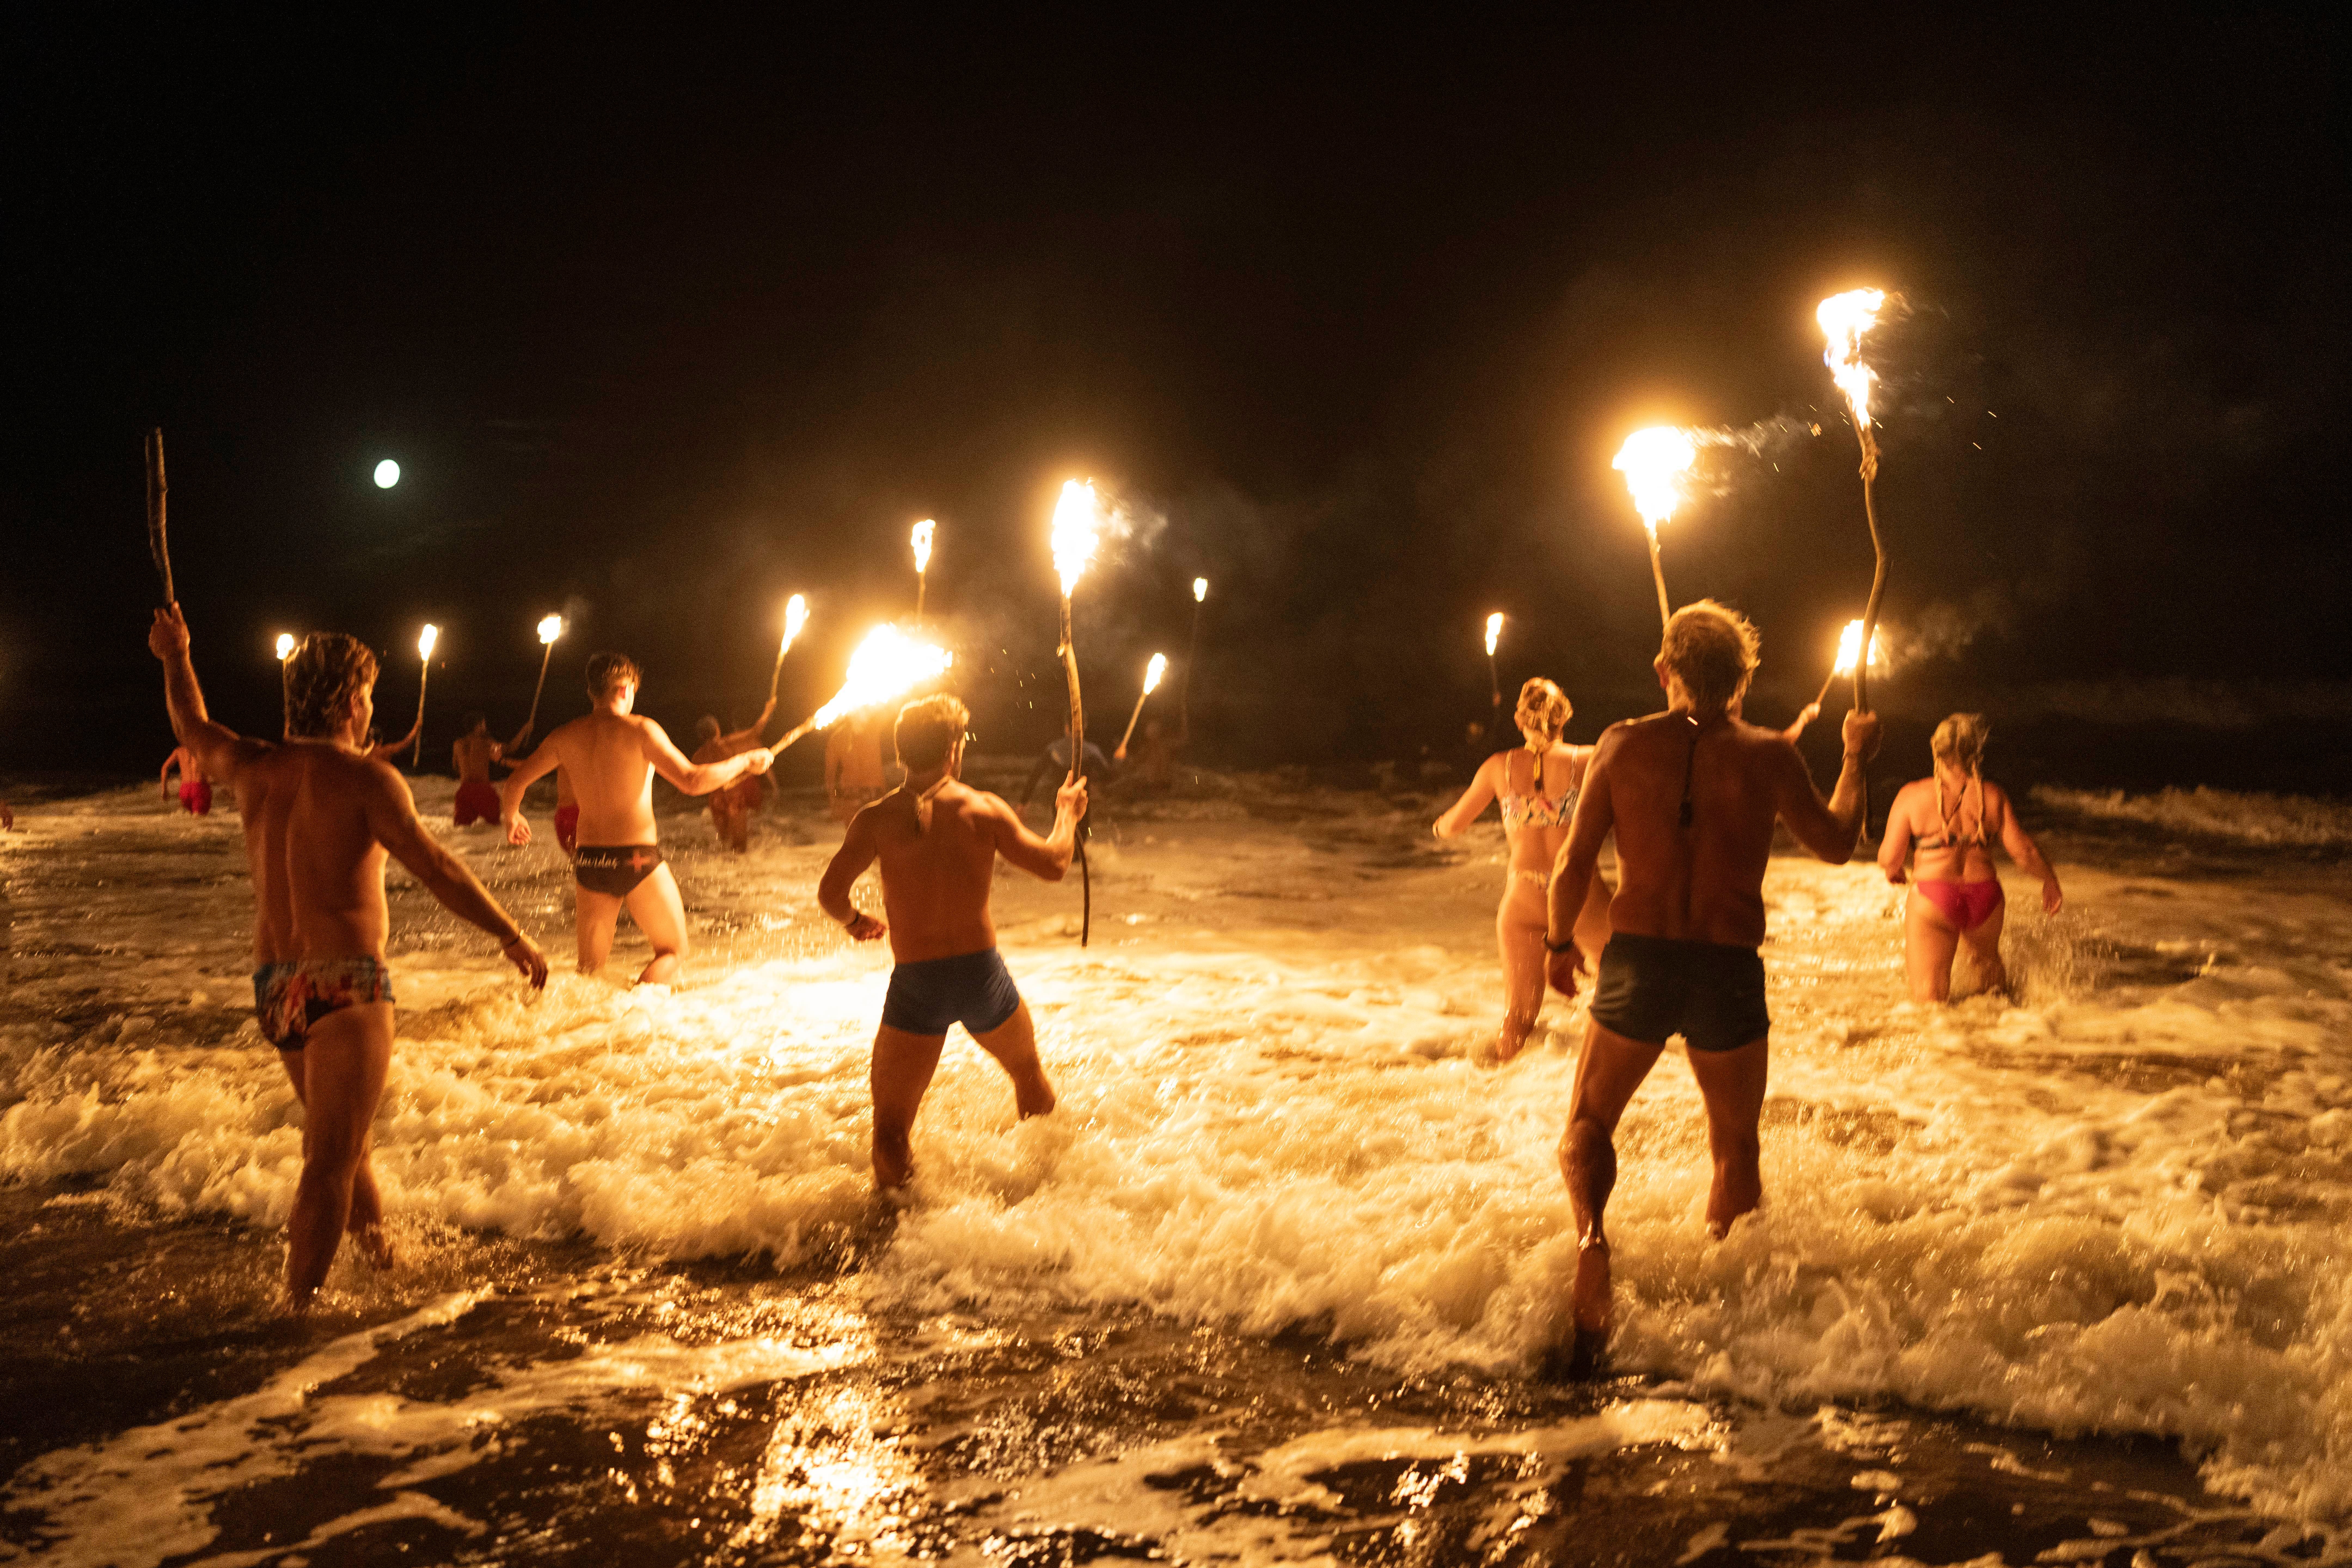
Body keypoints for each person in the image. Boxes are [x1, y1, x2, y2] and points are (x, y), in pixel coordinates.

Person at [147, 607, 549, 1311]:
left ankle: (383, 1263)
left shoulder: (253, 765)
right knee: (328, 1162)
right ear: (347, 702)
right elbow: (437, 868)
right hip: (345, 986)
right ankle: (294, 1317)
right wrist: (512, 935)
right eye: (365, 695)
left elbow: (191, 730)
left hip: (277, 990)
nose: (371, 710)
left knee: (348, 1146)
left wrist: (176, 656)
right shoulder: (366, 781)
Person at [1543, 601, 1880, 1362]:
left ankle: (1594, 1239)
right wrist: (1856, 759)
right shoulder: (1770, 755)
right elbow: (1834, 844)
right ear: (1744, 681)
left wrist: (1558, 944)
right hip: (1726, 967)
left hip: (1641, 957)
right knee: (1735, 1150)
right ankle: (1731, 1328)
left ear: (1664, 672)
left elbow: (1571, 865)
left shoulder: (1622, 746)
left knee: (1589, 1124)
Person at [817, 695, 1086, 1193]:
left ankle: (907, 1228)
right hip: (981, 977)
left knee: (892, 1130)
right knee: (1027, 1075)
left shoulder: (876, 818)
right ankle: (1052, 1192)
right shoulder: (982, 809)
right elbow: (1053, 864)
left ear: (901, 752)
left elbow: (830, 895)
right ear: (953, 750)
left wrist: (856, 921)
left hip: (918, 984)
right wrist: (1066, 813)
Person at [499, 653, 773, 987]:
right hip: (637, 860)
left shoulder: (564, 737)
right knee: (673, 952)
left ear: (592, 692)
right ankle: (635, 1014)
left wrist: (512, 818)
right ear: (627, 689)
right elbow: (692, 781)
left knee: (590, 975)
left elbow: (516, 783)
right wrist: (745, 762)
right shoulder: (642, 729)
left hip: (590, 864)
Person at [1433, 678, 1612, 1061]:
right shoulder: (1592, 759)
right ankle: (1602, 1085)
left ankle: (1492, 1092)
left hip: (1524, 896)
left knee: (1518, 1018)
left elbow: (1453, 826)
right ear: (1564, 716)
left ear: (1519, 720)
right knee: (1624, 1001)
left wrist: (1439, 826)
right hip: (1580, 894)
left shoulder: (1499, 767)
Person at [1878, 713, 2063, 1002]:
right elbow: (2024, 852)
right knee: (1992, 990)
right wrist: (2049, 879)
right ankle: (2002, 1038)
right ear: (1976, 751)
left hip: (1933, 897)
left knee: (1930, 997)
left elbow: (1889, 857)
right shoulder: (1992, 795)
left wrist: (1894, 870)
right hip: (1986, 898)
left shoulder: (1912, 795)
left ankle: (1951, 1045)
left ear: (1935, 749)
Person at [693, 697, 778, 853]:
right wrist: (768, 711)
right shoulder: (728, 744)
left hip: (716, 800)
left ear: (700, 736)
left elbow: (692, 782)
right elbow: (755, 732)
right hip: (734, 798)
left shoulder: (698, 757)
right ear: (718, 730)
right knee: (740, 849)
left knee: (725, 847)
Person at [825, 709, 891, 826]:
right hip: (851, 796)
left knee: (876, 837)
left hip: (875, 793)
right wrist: (834, 803)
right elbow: (831, 774)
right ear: (851, 713)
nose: (867, 713)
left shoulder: (874, 729)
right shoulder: (838, 738)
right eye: (862, 711)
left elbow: (889, 710)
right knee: (855, 838)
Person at [450, 713, 511, 828]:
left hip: (464, 791)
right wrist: (525, 731)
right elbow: (511, 748)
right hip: (483, 790)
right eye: (484, 725)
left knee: (461, 830)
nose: (486, 727)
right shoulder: (487, 742)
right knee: (495, 828)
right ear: (478, 727)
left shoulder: (457, 744)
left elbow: (455, 767)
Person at [161, 744, 211, 815]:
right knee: (200, 820)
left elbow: (165, 768)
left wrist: (165, 790)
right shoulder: (204, 750)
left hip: (184, 790)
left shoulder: (179, 751)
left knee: (192, 819)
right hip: (199, 788)